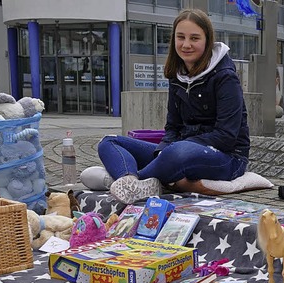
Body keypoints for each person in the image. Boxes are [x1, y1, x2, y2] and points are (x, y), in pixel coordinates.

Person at [95, 8, 250, 204]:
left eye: (194, 38)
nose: (186, 44)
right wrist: (163, 150)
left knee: (177, 152)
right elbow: (172, 127)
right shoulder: (176, 75)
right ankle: (129, 179)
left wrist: (173, 149)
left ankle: (131, 179)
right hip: (178, 152)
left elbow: (226, 137)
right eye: (181, 37)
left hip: (227, 158)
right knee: (109, 142)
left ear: (207, 40)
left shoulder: (225, 77)